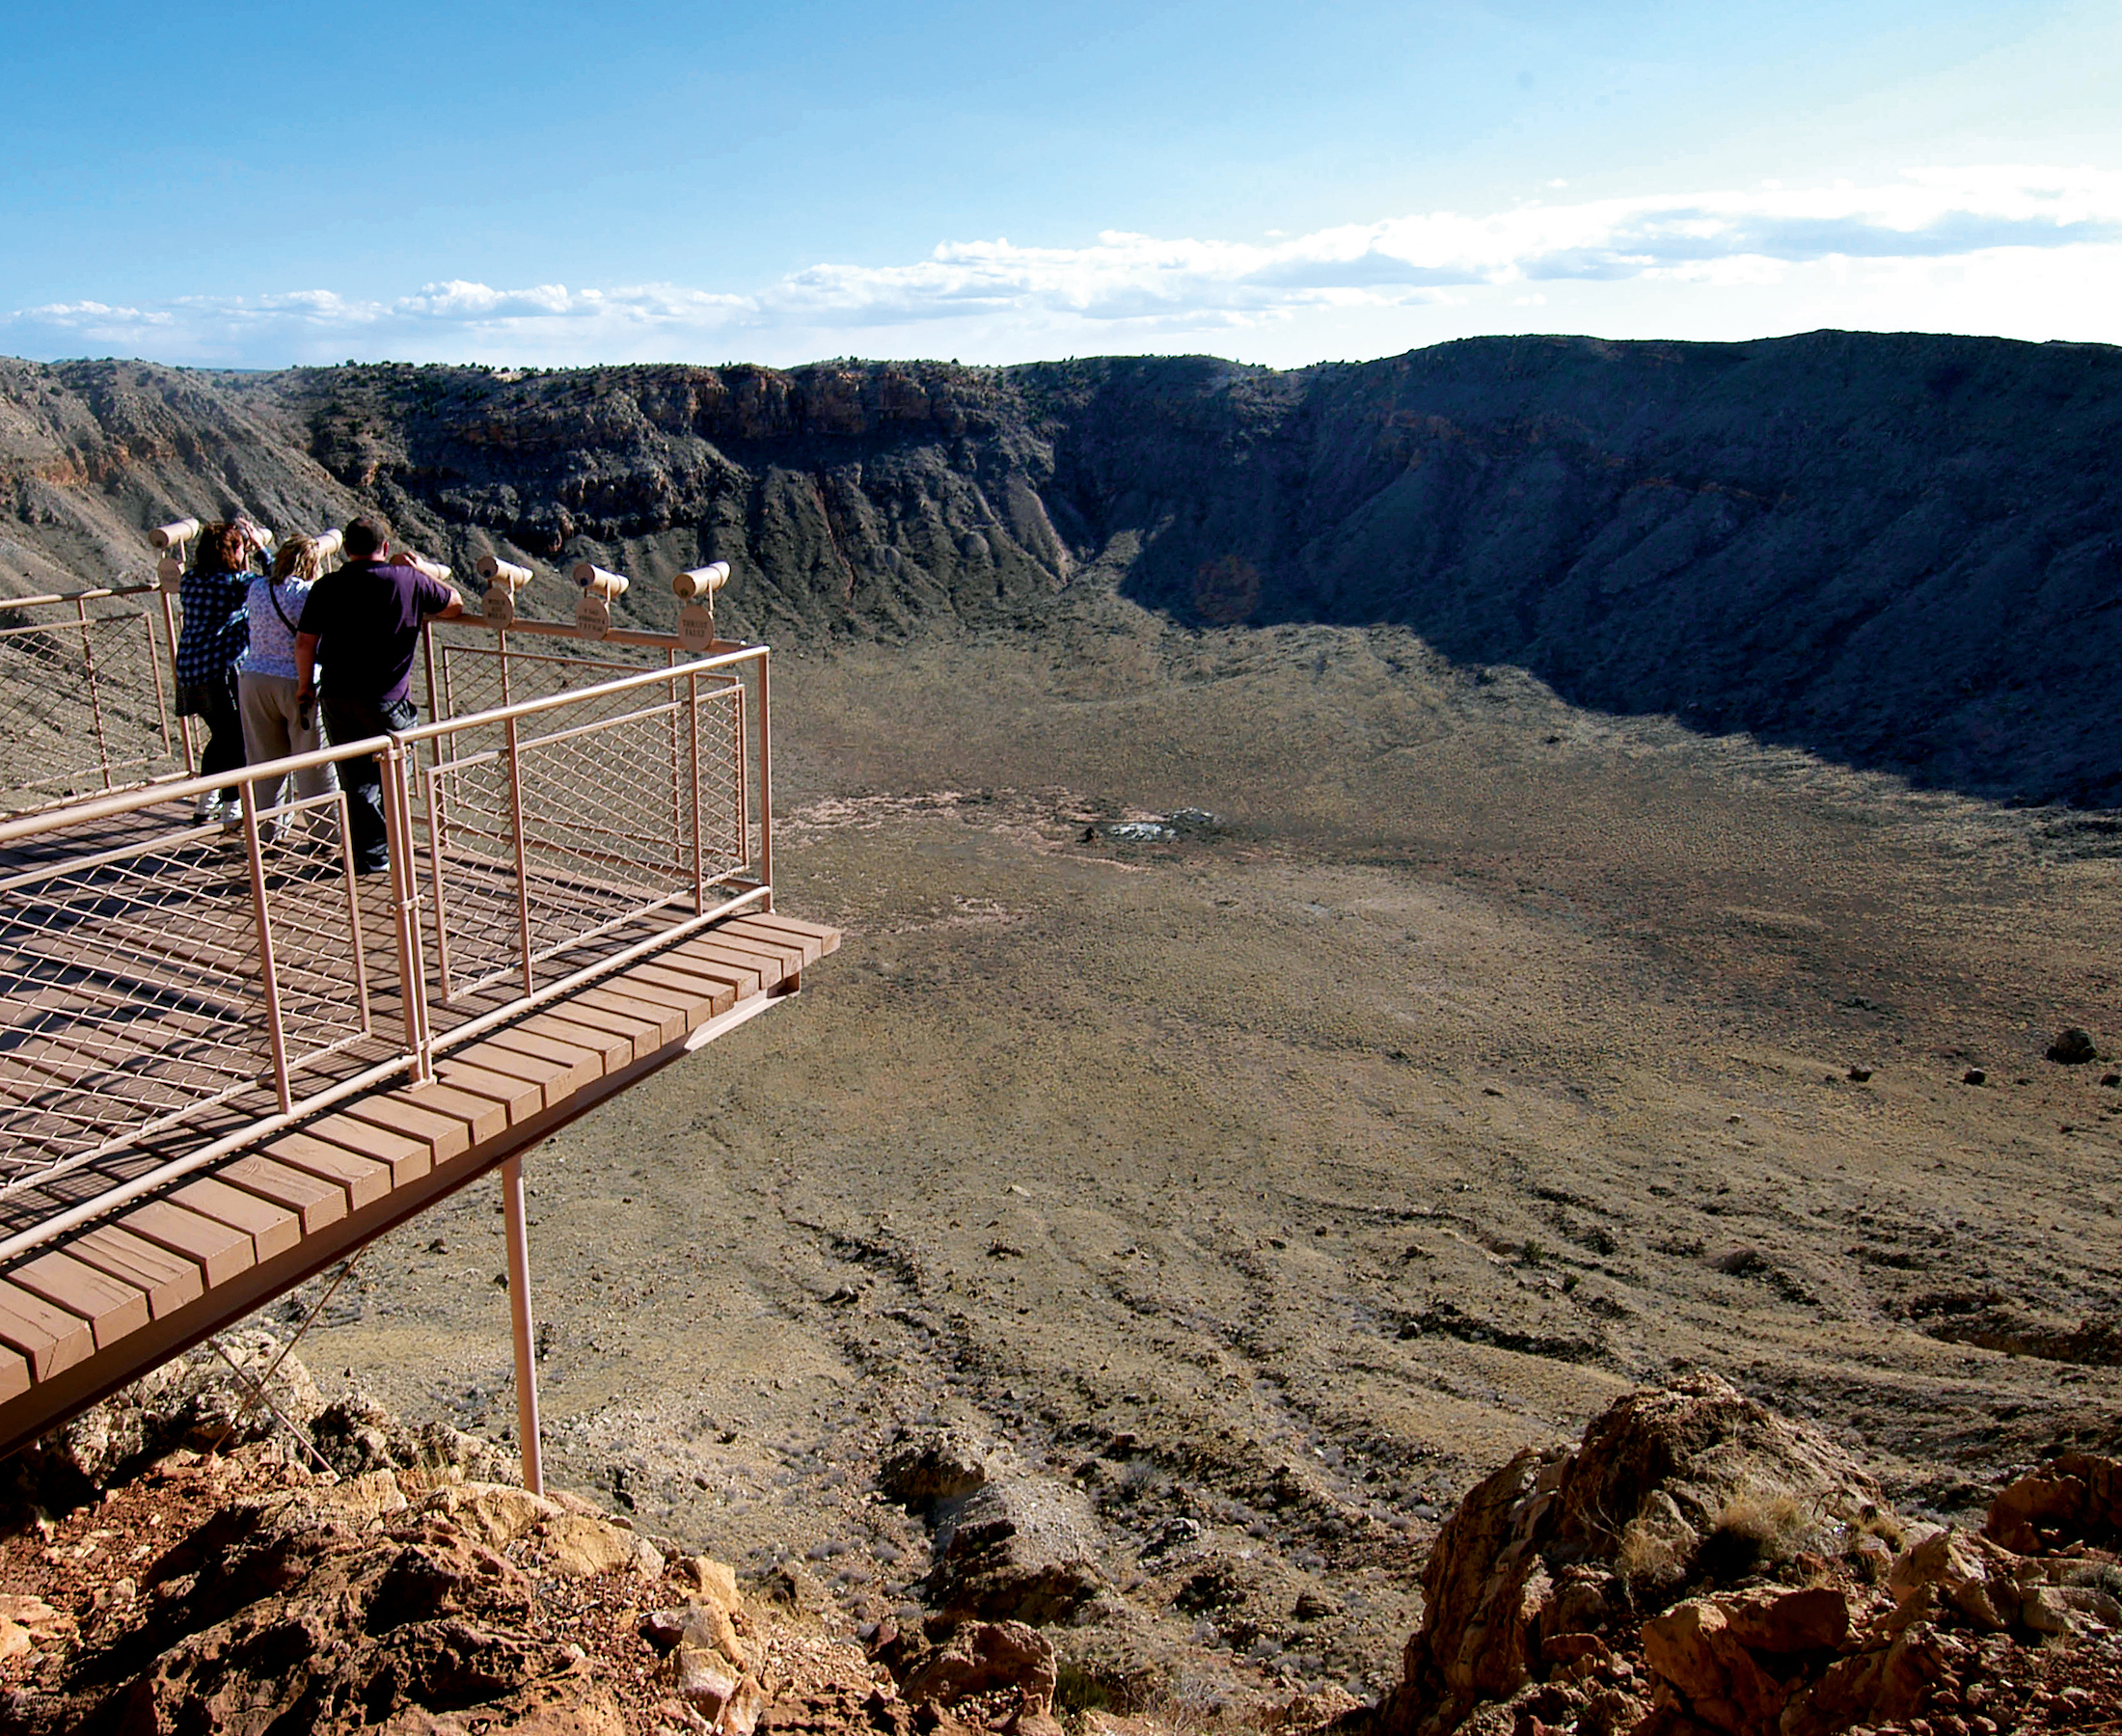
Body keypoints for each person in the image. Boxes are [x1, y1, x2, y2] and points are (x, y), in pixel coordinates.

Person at [294, 516, 463, 873]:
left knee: (356, 781)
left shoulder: (327, 585)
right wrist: (423, 572)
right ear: (384, 549)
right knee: (396, 780)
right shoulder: (407, 580)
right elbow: (455, 604)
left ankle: (372, 858)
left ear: (346, 551)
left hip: (337, 697)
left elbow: (304, 642)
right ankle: (400, 855)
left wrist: (305, 686)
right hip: (389, 701)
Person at [236, 534, 337, 836]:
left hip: (254, 679)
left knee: (263, 763)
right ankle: (325, 836)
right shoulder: (311, 593)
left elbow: (271, 576)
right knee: (313, 765)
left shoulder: (257, 588)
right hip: (298, 682)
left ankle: (267, 834)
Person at [174, 521, 256, 826]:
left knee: (221, 736)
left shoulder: (190, 580)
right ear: (234, 551)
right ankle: (231, 805)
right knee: (235, 738)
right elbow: (272, 583)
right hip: (221, 672)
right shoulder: (235, 586)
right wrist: (258, 548)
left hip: (191, 670)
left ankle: (205, 802)